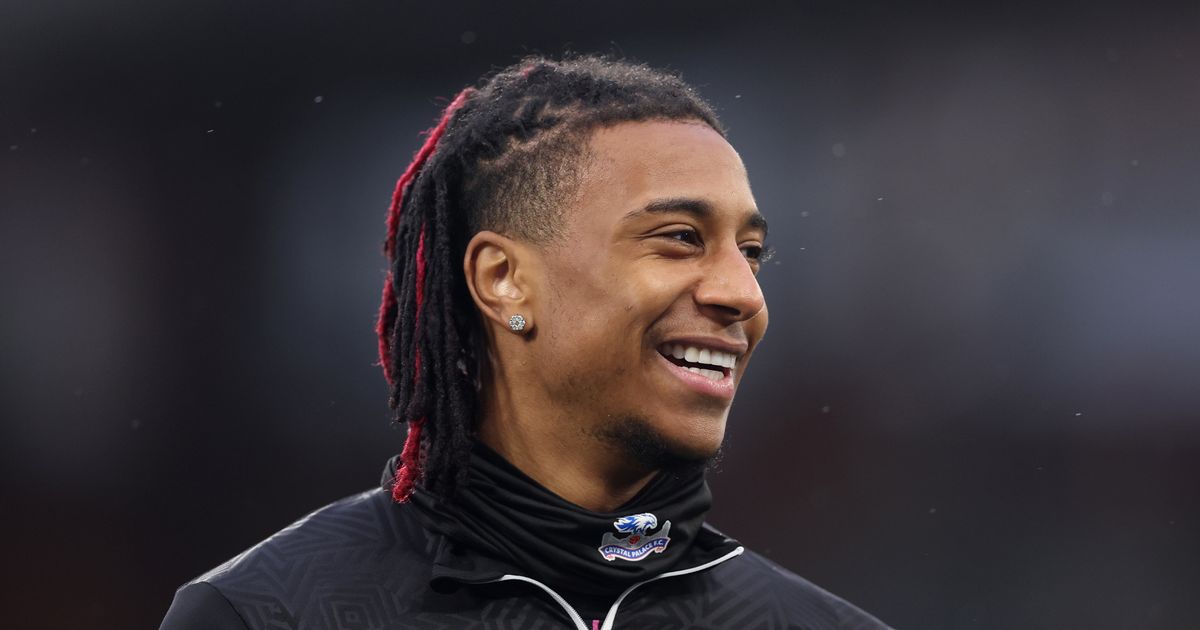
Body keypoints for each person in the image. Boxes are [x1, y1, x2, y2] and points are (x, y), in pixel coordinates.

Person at [160, 54, 890, 630]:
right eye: (679, 238)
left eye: (750, 252)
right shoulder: (268, 614)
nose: (743, 294)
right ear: (504, 280)